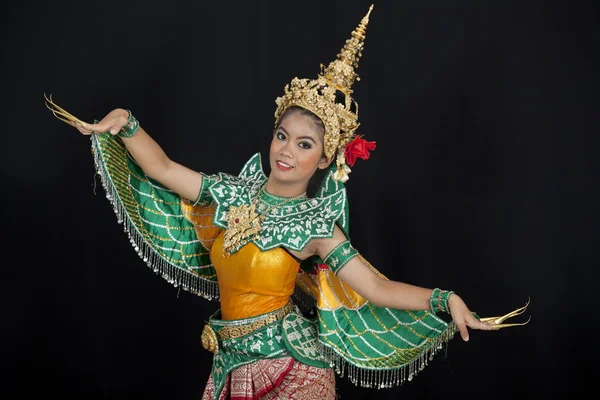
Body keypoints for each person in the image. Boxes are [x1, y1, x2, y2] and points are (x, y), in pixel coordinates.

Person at [45, 5, 529, 399]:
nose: (286, 150)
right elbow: (164, 170)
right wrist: (126, 121)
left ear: (324, 161)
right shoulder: (232, 192)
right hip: (229, 367)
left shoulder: (317, 226)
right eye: (283, 135)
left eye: (304, 144)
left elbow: (377, 290)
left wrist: (444, 300)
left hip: (294, 372)